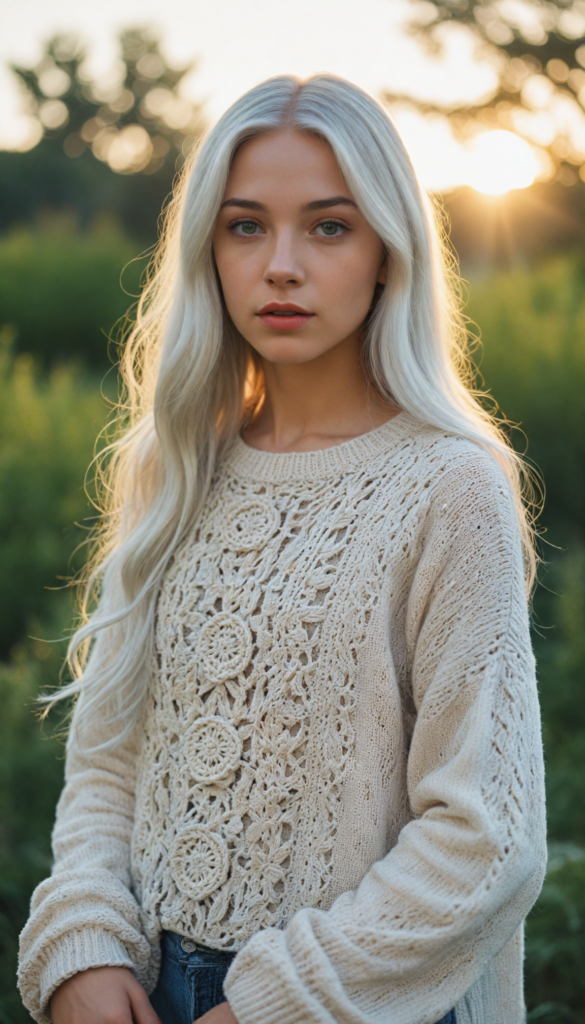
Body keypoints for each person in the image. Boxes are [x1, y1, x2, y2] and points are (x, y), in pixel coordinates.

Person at [18, 74, 546, 1024]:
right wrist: (85, 945)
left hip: (353, 1004)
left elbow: (486, 835)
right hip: (143, 991)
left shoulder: (448, 486)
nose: (282, 266)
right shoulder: (179, 466)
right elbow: (109, 759)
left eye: (330, 226)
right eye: (246, 225)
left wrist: (277, 1002)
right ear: (206, 249)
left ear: (388, 248)